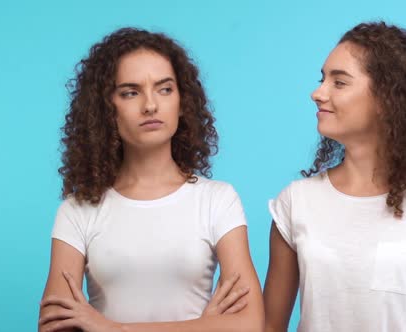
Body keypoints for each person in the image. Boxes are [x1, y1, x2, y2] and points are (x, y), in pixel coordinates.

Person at [264, 22, 406, 332]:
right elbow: (268, 327)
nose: (317, 93)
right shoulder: (295, 203)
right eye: (322, 79)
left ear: (387, 99)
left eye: (339, 83)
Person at [38, 27, 264, 332]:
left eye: (165, 89)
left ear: (183, 101)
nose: (150, 105)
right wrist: (204, 327)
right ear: (108, 109)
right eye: (130, 92)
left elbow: (249, 324)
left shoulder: (217, 200)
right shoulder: (77, 210)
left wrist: (111, 329)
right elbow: (55, 326)